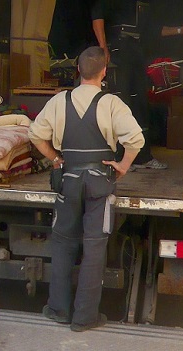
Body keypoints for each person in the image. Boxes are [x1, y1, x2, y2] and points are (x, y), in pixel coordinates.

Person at [28, 46, 144, 331]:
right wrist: (123, 165)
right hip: (99, 183)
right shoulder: (112, 104)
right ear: (104, 72)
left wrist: (55, 158)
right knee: (94, 247)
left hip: (67, 180)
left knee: (63, 242)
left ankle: (58, 309)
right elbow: (136, 139)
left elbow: (35, 135)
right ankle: (85, 317)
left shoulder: (58, 101)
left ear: (77, 70)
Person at [103, 0, 167, 170]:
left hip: (136, 53)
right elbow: (97, 18)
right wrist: (104, 48)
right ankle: (120, 156)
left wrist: (181, 30)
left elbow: (155, 30)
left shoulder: (144, 5)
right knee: (122, 104)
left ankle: (143, 157)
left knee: (140, 104)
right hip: (118, 51)